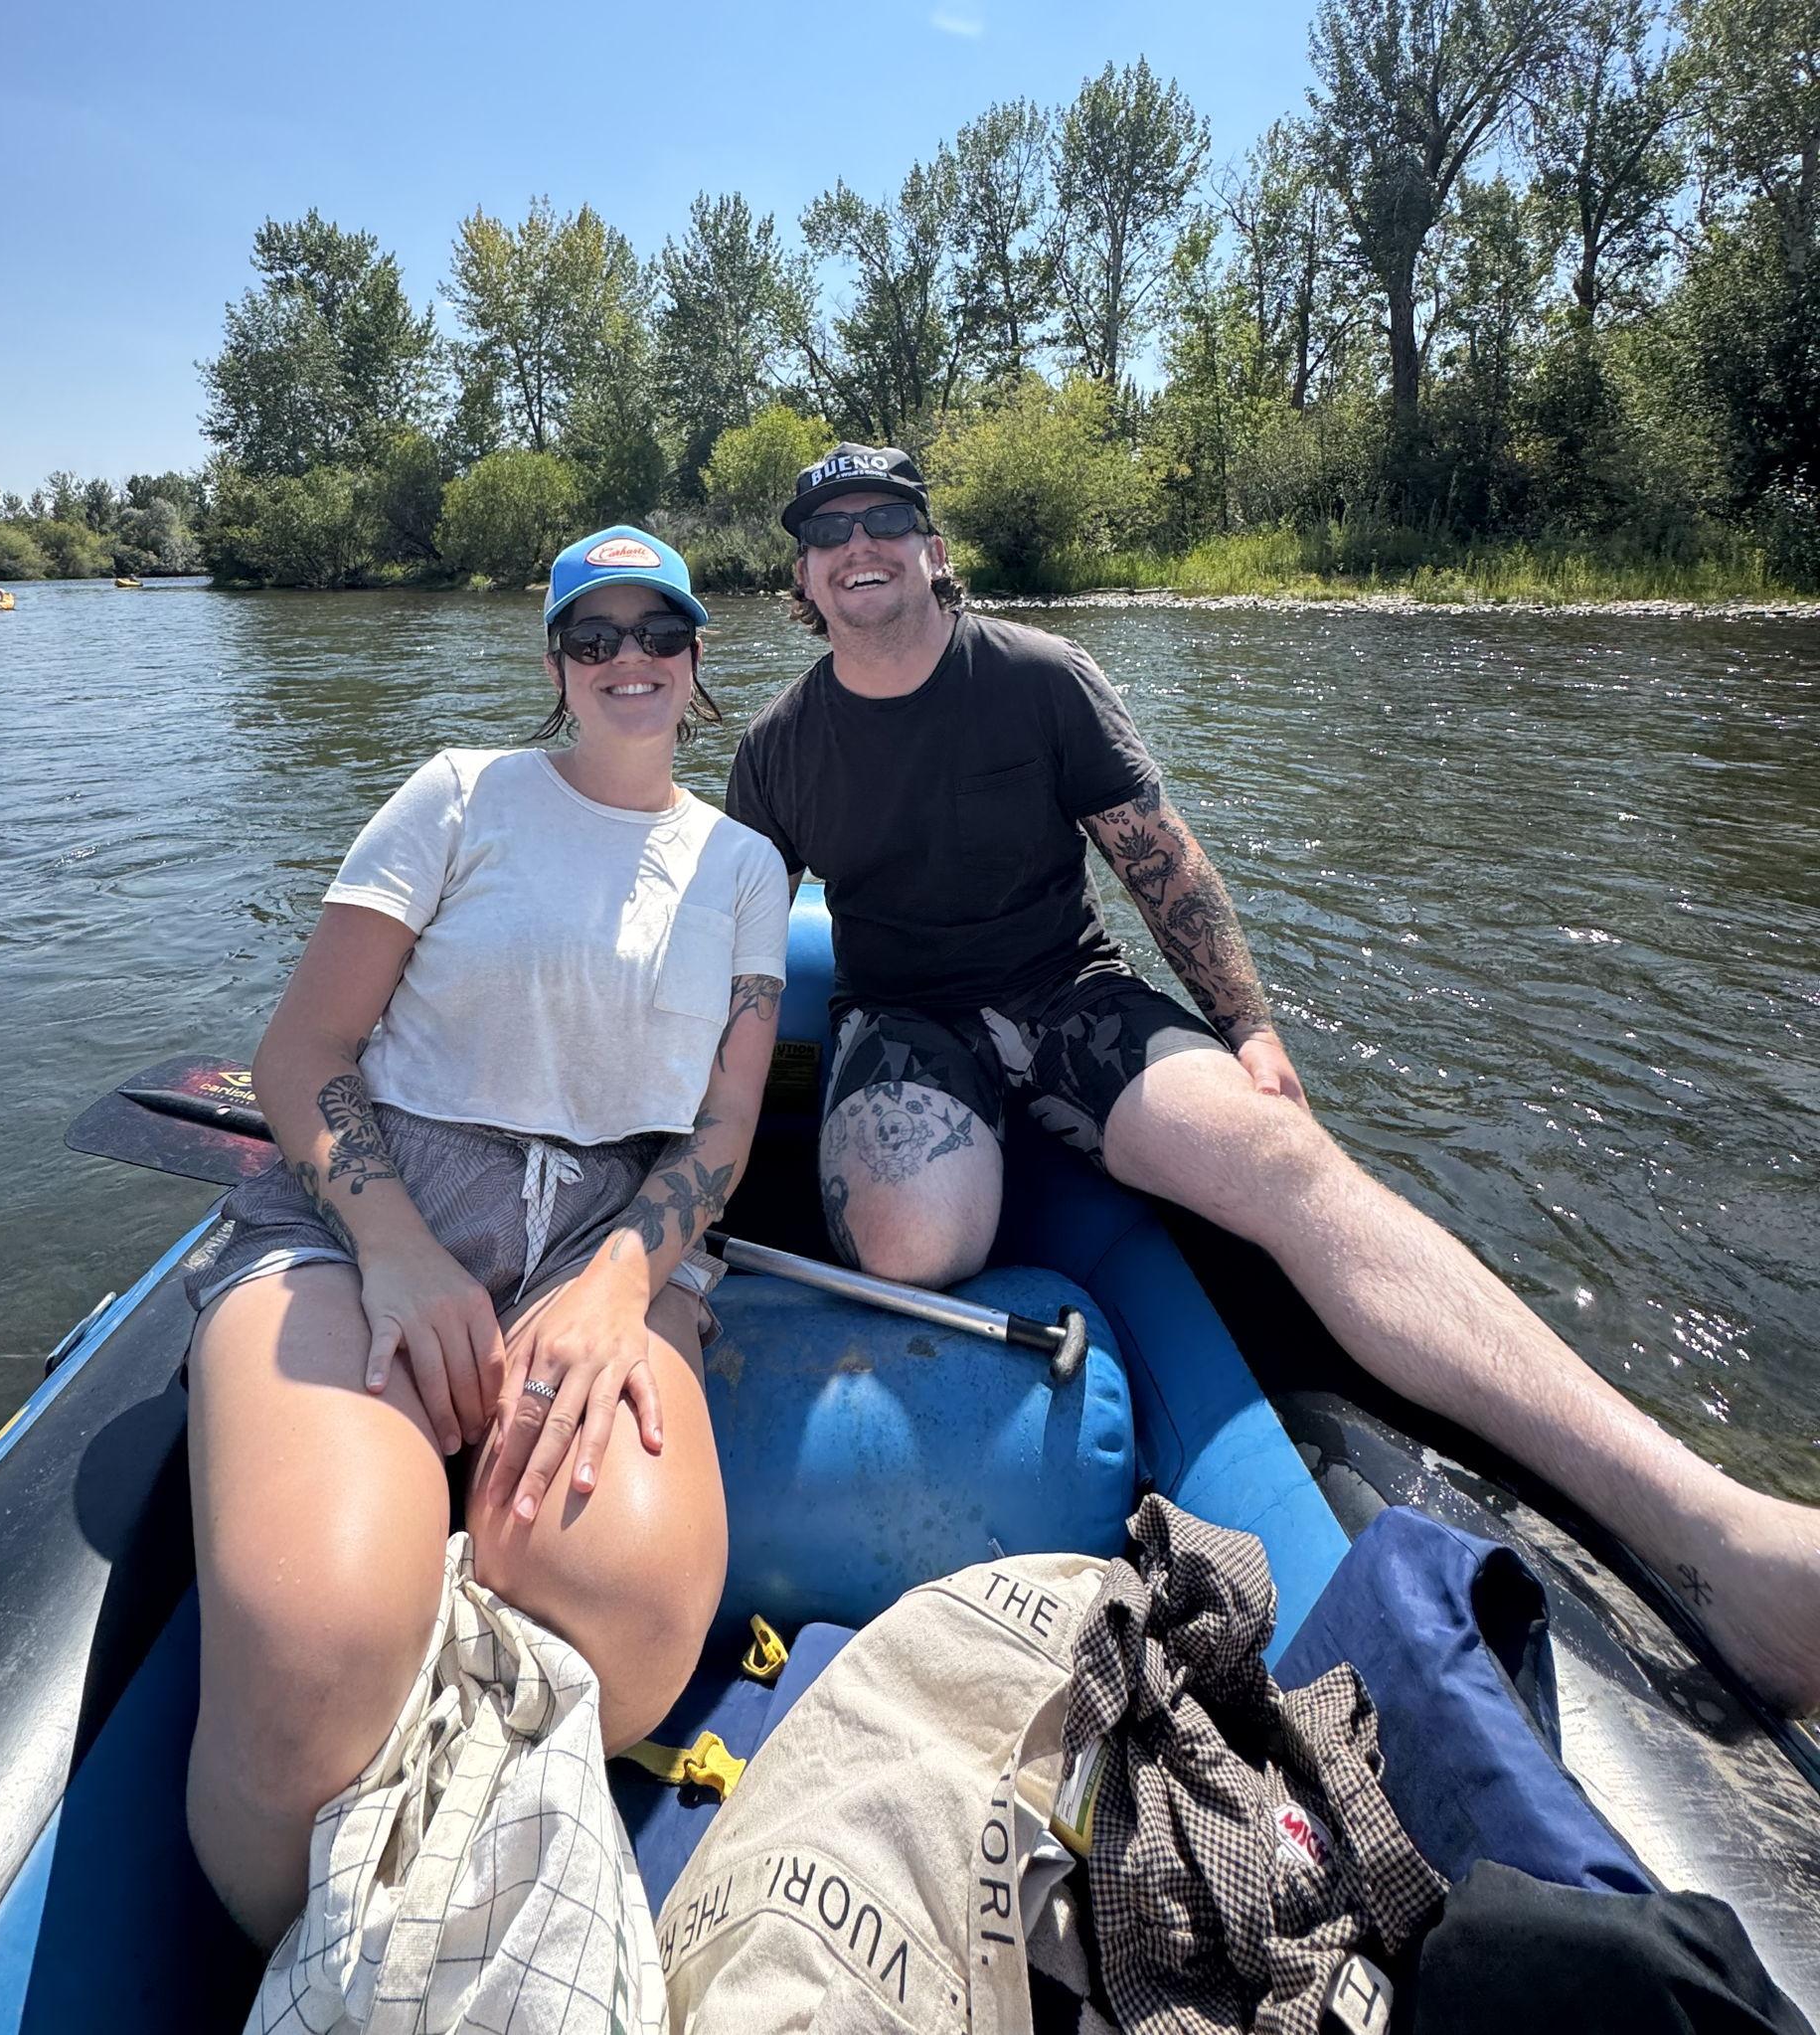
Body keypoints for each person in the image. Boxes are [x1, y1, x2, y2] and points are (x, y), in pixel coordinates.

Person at [724, 443, 1820, 1717]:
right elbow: (733, 952)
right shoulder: (779, 746)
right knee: (915, 1241)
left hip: (1067, 999)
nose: (857, 544)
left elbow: (1161, 864)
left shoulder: (1035, 677)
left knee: (1284, 1159)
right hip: (902, 1017)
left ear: (931, 548)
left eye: (884, 518)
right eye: (828, 530)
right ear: (803, 575)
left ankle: (1711, 1530)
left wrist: (1246, 1030)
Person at [181, 524, 791, 1945]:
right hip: (377, 1207)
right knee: (317, 1649)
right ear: (557, 663)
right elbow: (302, 1057)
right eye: (595, 636)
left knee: (628, 1609)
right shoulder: (458, 795)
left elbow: (721, 1127)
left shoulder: (746, 866)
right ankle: (312, 1955)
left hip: (604, 1234)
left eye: (659, 631)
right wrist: (395, 1249)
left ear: (697, 655)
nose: (630, 658)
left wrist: (621, 1287)